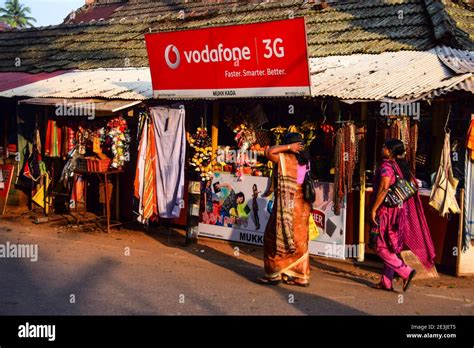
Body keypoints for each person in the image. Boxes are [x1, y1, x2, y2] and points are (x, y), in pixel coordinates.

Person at [370, 139, 436, 292]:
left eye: (384, 147)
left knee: (379, 247)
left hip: (387, 211)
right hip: (399, 211)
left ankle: (406, 271)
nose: (382, 149)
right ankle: (386, 282)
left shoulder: (386, 167)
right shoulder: (402, 167)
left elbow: (384, 188)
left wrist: (374, 209)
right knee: (391, 246)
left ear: (390, 151)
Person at [259, 132, 312, 287]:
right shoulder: (306, 161)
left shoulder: (285, 159)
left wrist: (288, 147)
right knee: (300, 240)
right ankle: (300, 275)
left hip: (287, 204)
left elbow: (268, 152)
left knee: (273, 236)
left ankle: (274, 273)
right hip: (302, 205)